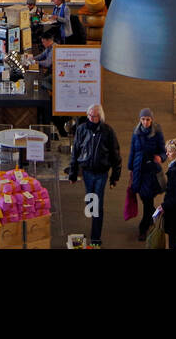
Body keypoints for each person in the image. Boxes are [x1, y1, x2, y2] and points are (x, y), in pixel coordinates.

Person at [66, 103, 121, 247]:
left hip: (101, 173)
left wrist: (115, 177)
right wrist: (72, 173)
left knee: (97, 204)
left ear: (100, 117)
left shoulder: (108, 131)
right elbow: (76, 152)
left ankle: (96, 237)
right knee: (90, 202)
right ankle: (94, 218)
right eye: (89, 115)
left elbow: (115, 154)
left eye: (94, 116)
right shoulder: (81, 130)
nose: (91, 118)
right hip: (87, 172)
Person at [128, 108, 167, 241]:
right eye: (143, 119)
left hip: (151, 171)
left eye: (148, 119)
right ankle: (155, 216)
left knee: (147, 199)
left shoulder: (157, 133)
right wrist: (130, 168)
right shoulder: (136, 132)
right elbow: (132, 151)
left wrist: (160, 158)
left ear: (152, 120)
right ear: (140, 120)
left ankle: (143, 228)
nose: (145, 122)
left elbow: (163, 151)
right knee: (145, 200)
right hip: (139, 169)